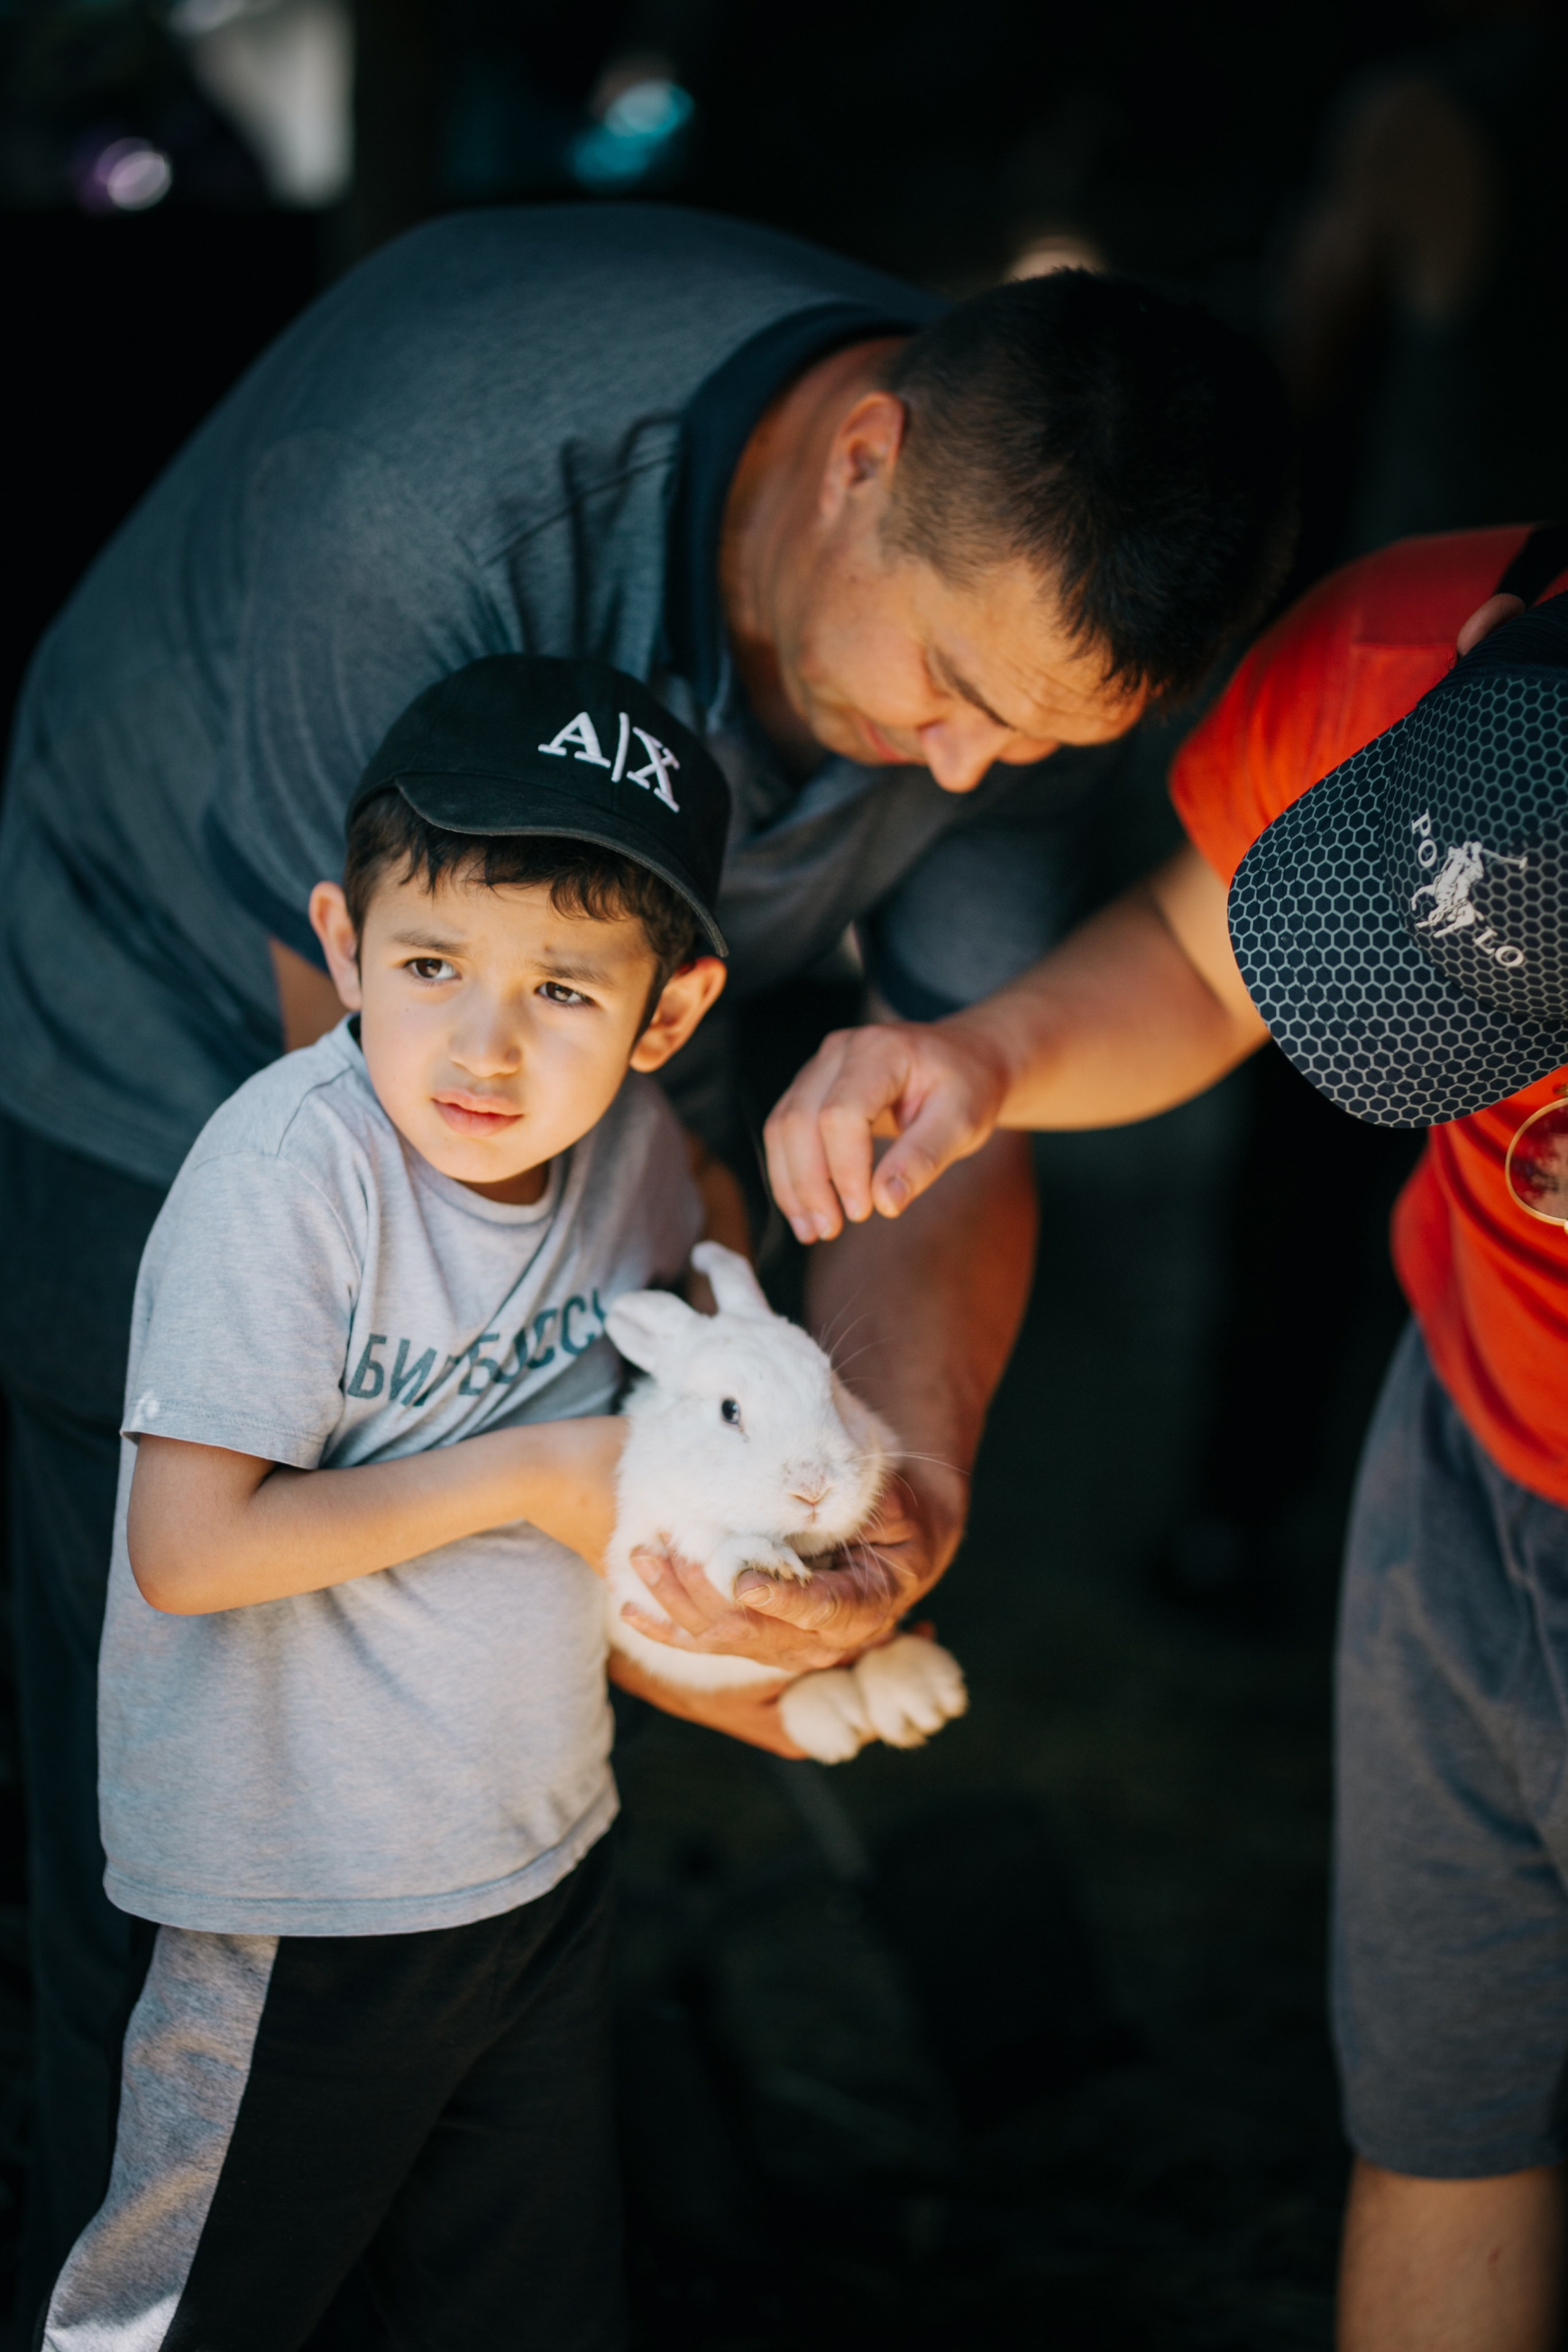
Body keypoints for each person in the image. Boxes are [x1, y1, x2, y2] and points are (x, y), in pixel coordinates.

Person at [0, 198, 1295, 2307]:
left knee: (490, 1871)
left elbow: (956, 1101)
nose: (968, 771)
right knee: (217, 1910)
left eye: (1037, 746)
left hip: (611, 1066)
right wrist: (657, 1595)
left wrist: (888, 1496)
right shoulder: (434, 504)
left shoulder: (1027, 628)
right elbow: (405, 1150)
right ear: (864, 459)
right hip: (194, 1037)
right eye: (952, 691)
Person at [764, 521, 1568, 2351]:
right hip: (1465, 1439)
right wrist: (990, 1058)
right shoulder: (1387, 664)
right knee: (1448, 2109)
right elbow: (1210, 973)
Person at [40, 652, 734, 2350]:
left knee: (518, 2304)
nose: (484, 1046)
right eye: (432, 966)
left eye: (563, 989)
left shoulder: (640, 1154)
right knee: (194, 2317)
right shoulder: (291, 1179)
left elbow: (704, 1328)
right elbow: (189, 1550)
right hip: (299, 1900)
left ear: (667, 1015)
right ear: (344, 946)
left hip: (537, 1854)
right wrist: (537, 1476)